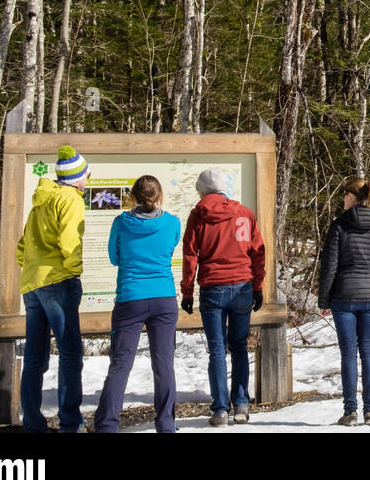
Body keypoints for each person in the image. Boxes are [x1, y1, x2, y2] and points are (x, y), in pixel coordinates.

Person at [93, 175, 182, 433]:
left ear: (133, 195)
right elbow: (170, 247)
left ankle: (107, 425)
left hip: (130, 297)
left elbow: (113, 257)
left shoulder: (121, 222)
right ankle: (166, 423)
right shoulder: (172, 223)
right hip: (164, 297)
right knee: (164, 363)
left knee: (121, 363)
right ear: (160, 195)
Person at [180, 168, 265, 427]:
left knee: (217, 350)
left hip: (213, 288)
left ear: (203, 190)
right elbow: (257, 253)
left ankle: (220, 411)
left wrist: (187, 290)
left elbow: (190, 255)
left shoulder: (198, 216)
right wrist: (258, 286)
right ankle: (241, 405)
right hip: (242, 285)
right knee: (239, 347)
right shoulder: (245, 214)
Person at [17, 144, 88, 433]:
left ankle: (33, 423)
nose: (88, 179)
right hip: (58, 281)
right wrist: (73, 270)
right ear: (76, 177)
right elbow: (70, 239)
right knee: (70, 353)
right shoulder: (70, 199)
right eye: (86, 174)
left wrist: (31, 268)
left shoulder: (42, 199)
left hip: (32, 283)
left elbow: (23, 244)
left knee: (35, 356)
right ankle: (70, 422)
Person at [317, 178, 370, 427]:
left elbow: (330, 266)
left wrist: (324, 299)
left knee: (349, 354)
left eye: (344, 195)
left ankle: (350, 411)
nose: (342, 199)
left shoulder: (339, 225)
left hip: (344, 297)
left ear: (353, 197)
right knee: (368, 354)